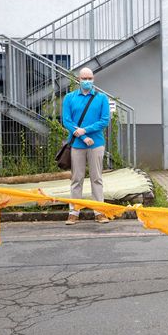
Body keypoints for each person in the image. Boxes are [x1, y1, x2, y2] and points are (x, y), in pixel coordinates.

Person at [62, 68, 111, 225]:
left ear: (93, 79)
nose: (87, 81)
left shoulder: (101, 98)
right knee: (77, 178)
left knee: (97, 178)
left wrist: (86, 130)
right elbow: (67, 121)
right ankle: (74, 212)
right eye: (84, 78)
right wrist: (83, 136)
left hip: (96, 144)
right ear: (78, 79)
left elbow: (104, 120)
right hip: (77, 144)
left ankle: (99, 212)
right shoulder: (69, 98)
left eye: (90, 78)